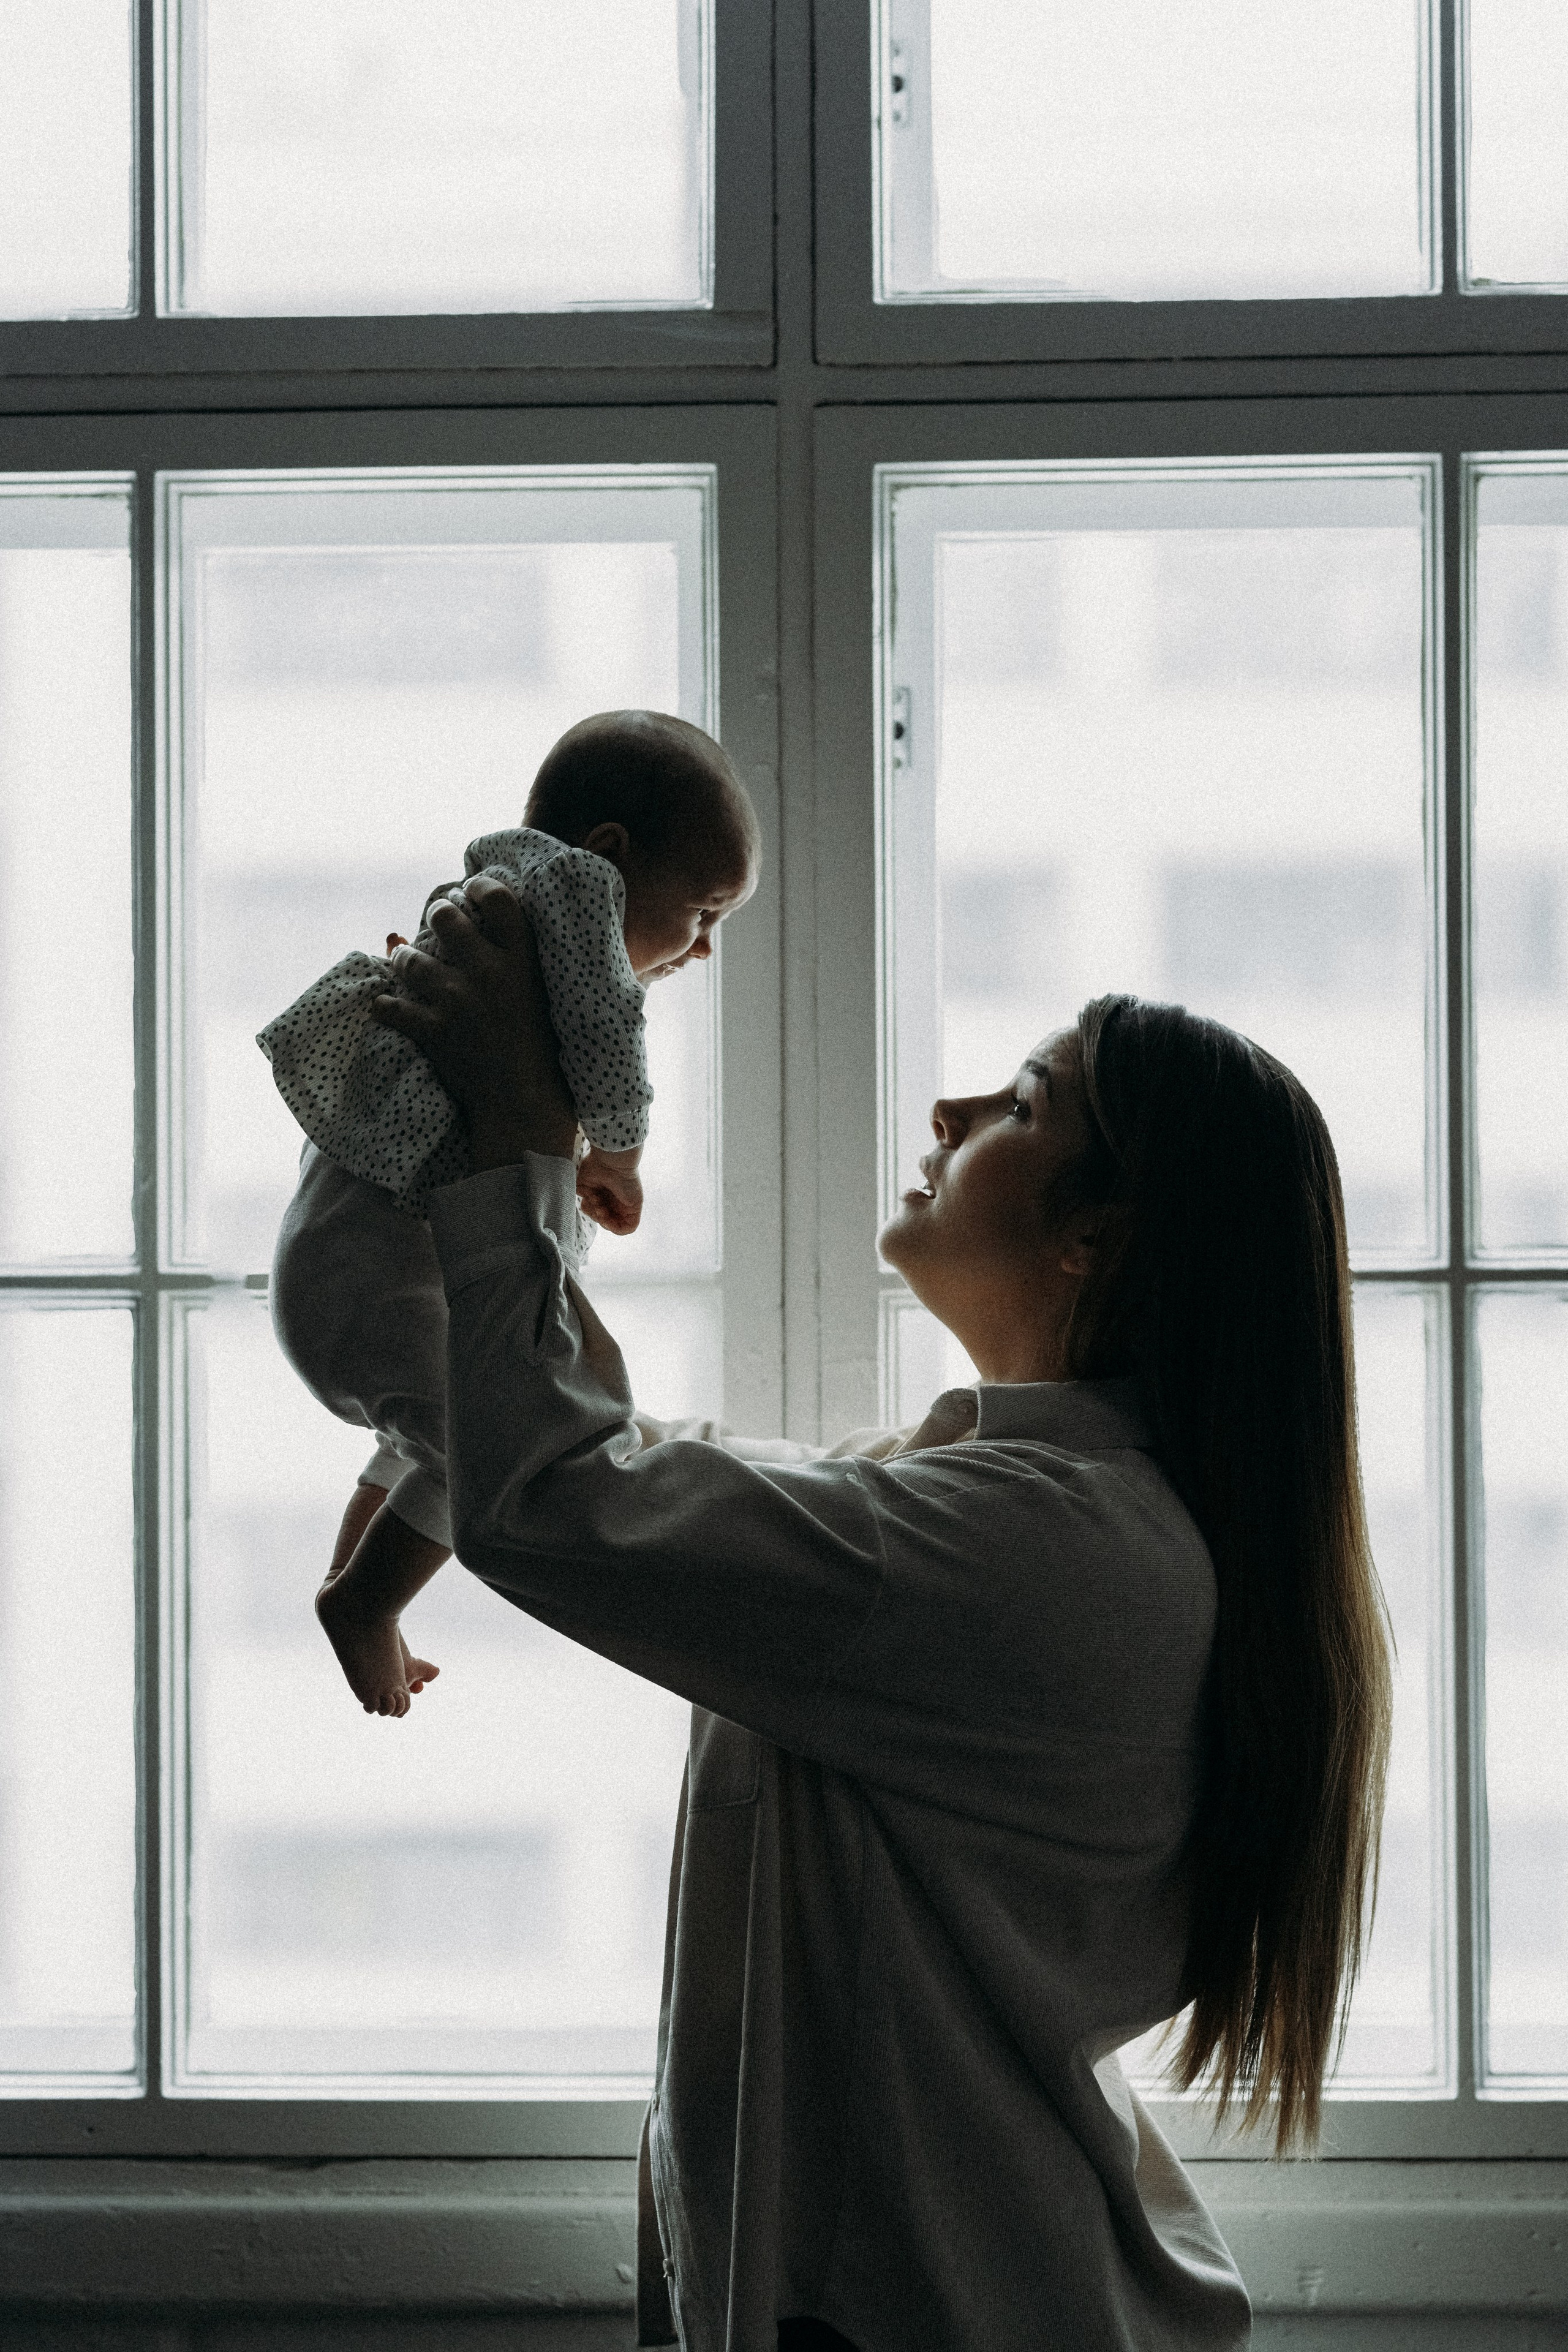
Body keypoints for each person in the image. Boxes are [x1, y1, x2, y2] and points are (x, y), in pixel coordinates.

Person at [372, 880, 1393, 2352]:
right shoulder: (998, 1511)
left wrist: (514, 1145)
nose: (948, 1109)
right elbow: (613, 1467)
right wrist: (505, 1149)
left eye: (1021, 1105)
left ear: (1094, 1240)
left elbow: (560, 1499)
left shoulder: (1036, 1551)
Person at [258, 710, 760, 1717]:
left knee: (432, 1440)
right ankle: (364, 1603)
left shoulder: (494, 897)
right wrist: (618, 1152)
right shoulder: (569, 899)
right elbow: (611, 1037)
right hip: (369, 1274)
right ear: (611, 854)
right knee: (487, 1447)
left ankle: (355, 1590)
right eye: (704, 911)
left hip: (342, 1271)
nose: (706, 949)